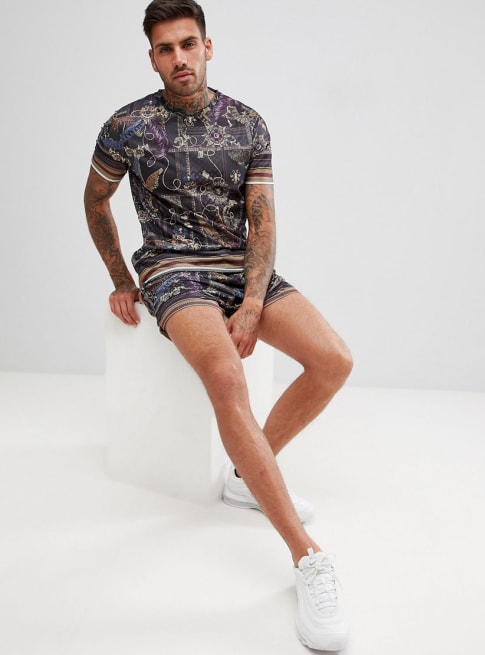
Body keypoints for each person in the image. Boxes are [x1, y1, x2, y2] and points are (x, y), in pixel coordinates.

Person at [84, 0, 353, 650]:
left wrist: (254, 301)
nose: (179, 57)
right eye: (165, 48)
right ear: (152, 58)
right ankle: (307, 556)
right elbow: (95, 198)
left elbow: (262, 222)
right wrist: (121, 277)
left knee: (333, 360)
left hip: (239, 266)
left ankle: (244, 478)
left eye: (188, 44)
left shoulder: (247, 123)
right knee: (227, 377)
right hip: (172, 269)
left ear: (208, 47)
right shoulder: (126, 126)